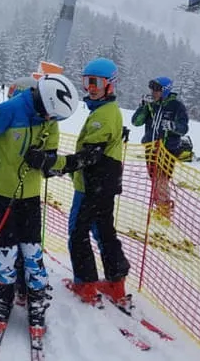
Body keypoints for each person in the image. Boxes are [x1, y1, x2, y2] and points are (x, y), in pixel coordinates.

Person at [0, 73, 78, 336]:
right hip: (0, 193)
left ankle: (36, 297)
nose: (52, 121)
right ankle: (4, 295)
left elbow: (50, 155)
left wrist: (46, 160)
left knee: (32, 249)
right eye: (51, 115)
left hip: (29, 194)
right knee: (7, 249)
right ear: (42, 101)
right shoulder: (7, 111)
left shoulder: (50, 119)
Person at [24, 58, 130, 308]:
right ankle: (116, 282)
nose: (90, 88)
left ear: (110, 85)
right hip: (102, 184)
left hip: (93, 186)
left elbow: (89, 156)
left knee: (78, 233)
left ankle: (86, 284)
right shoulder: (106, 111)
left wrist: (54, 163)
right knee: (103, 230)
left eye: (96, 82)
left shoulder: (103, 115)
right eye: (86, 82)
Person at [131, 76, 189, 224]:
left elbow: (184, 128)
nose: (153, 92)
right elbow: (136, 122)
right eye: (152, 89)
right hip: (151, 148)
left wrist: (172, 126)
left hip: (168, 149)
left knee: (161, 180)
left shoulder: (176, 106)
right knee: (155, 179)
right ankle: (160, 206)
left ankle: (164, 211)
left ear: (165, 90)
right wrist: (143, 106)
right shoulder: (152, 105)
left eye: (157, 89)